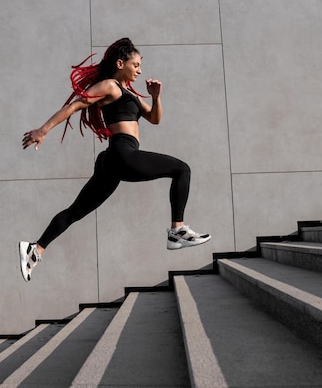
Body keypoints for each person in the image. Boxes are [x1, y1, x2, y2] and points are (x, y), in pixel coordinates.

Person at [19, 38, 210, 282]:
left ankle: (35, 249)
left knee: (76, 211)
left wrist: (155, 96)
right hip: (122, 154)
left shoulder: (129, 92)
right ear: (121, 63)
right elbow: (75, 105)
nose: (140, 70)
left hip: (112, 161)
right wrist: (43, 130)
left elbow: (154, 118)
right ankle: (177, 230)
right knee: (182, 169)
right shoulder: (109, 86)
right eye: (136, 65)